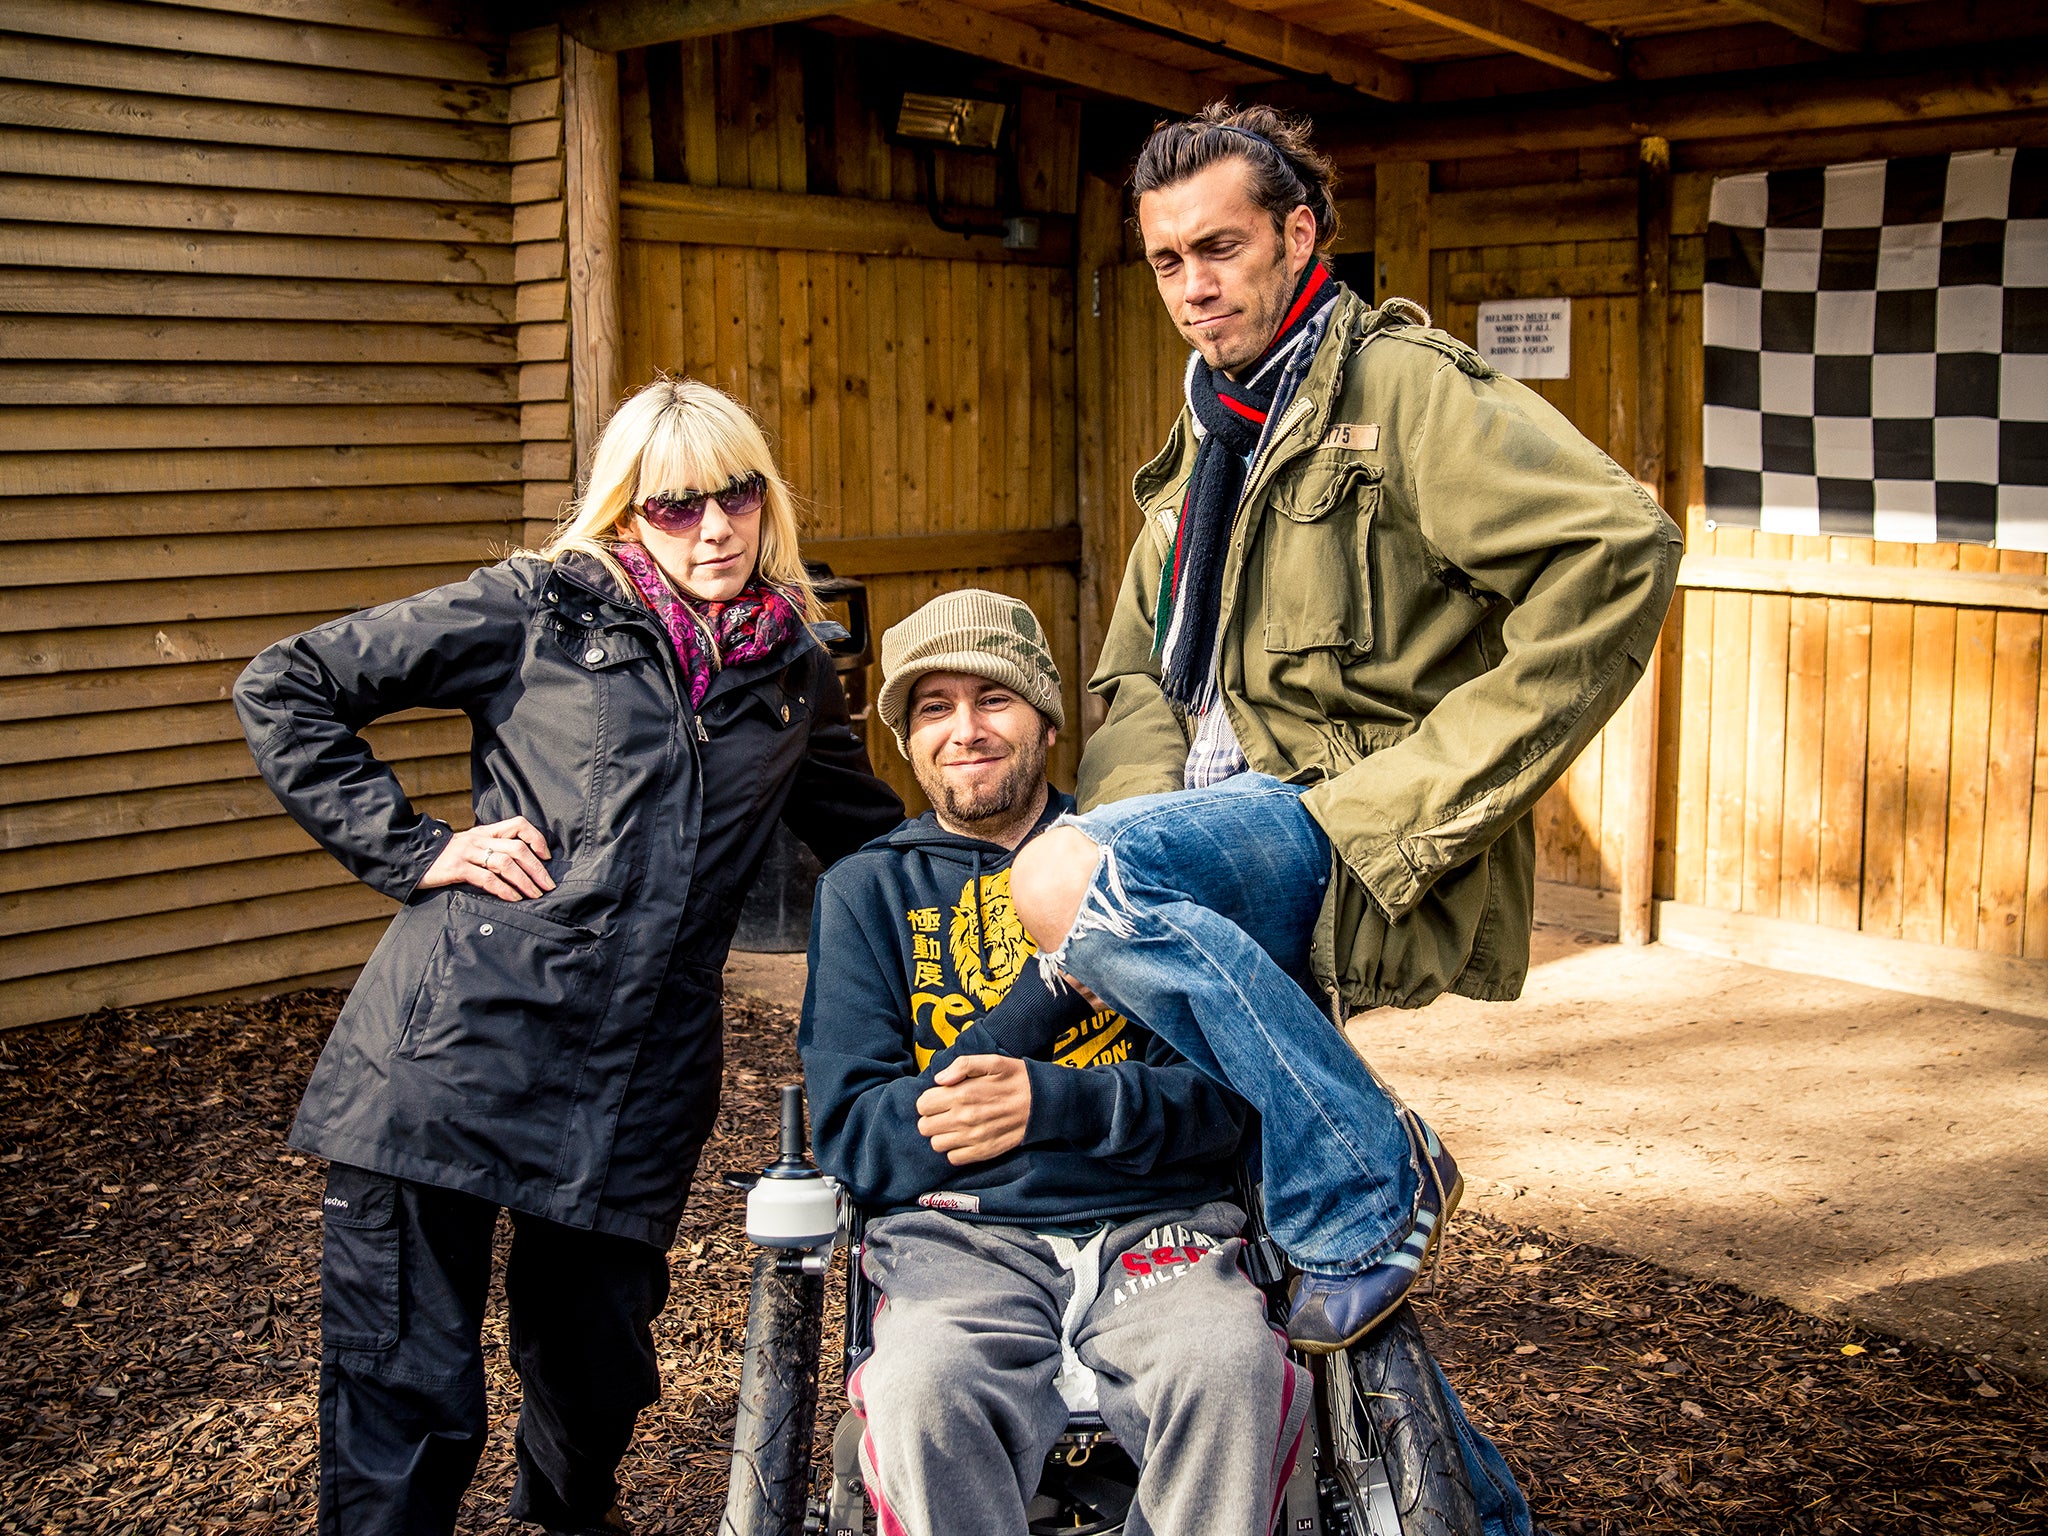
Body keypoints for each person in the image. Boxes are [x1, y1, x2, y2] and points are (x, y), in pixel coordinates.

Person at [1009, 105, 1681, 1529]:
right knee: (1282, 1247)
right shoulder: (1210, 431)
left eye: (1223, 248)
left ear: (1302, 234)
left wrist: (1417, 801)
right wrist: (1145, 843)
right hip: (1210, 837)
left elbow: (1620, 550)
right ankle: (1472, 1507)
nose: (1193, 284)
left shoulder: (1399, 392)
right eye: (1167, 260)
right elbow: (1136, 667)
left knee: (1059, 881)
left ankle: (1374, 1157)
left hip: (1326, 824)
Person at [235, 378, 904, 1536]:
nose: (714, 528)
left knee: (594, 1370)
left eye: (735, 495)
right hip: (453, 1051)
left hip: (638, 1078)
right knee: (410, 1385)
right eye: (674, 506)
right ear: (624, 512)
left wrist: (1028, 862)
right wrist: (419, 848)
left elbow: (871, 839)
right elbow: (288, 685)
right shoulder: (535, 610)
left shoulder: (790, 671)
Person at [799, 589, 1308, 1536]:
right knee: (922, 1386)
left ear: (1044, 716)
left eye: (992, 698)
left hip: (1160, 1228)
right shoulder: (867, 894)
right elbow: (864, 1140)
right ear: (906, 740)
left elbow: (1221, 1106)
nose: (965, 731)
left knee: (1229, 1370)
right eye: (933, 707)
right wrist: (1049, 993)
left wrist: (1049, 1106)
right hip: (960, 1239)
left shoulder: (1139, 861)